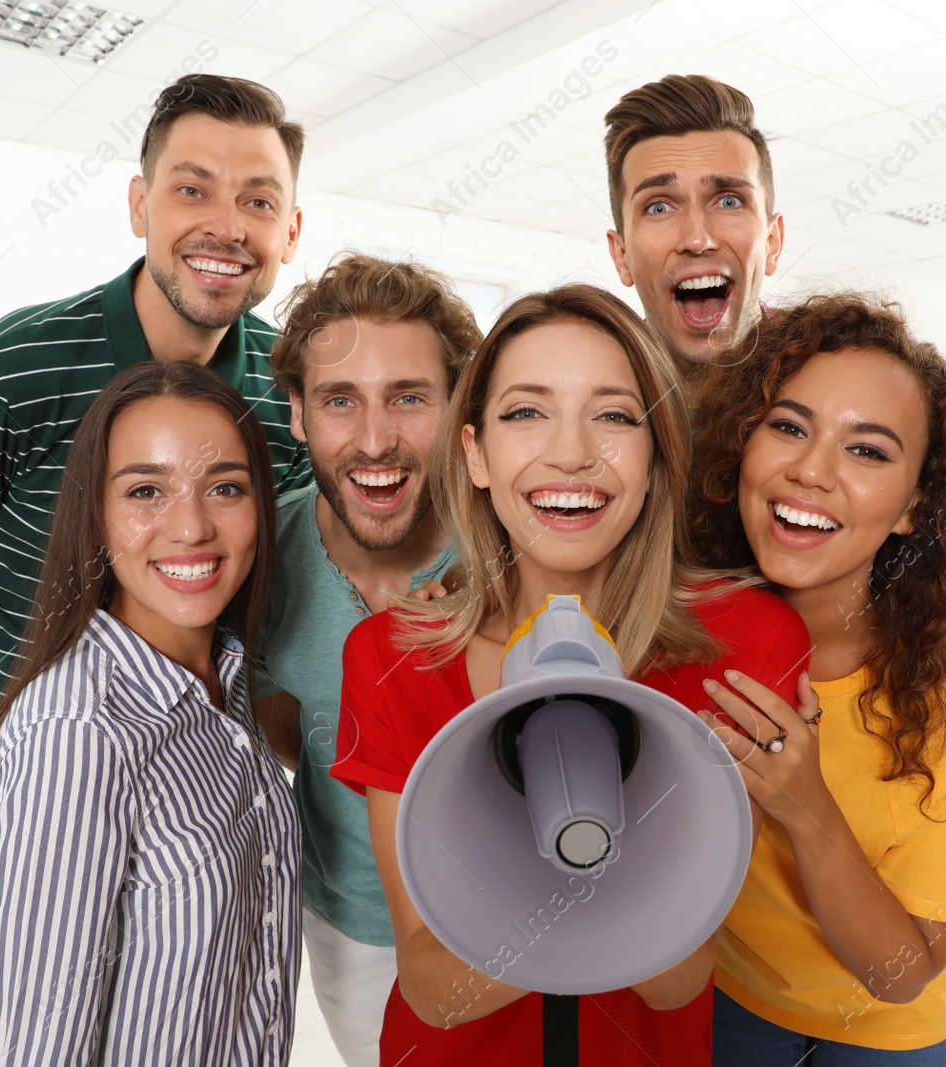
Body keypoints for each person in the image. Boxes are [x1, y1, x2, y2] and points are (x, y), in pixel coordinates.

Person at [0, 74, 310, 1065]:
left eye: (258, 199)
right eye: (193, 188)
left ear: (292, 229)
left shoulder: (294, 394)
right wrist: (47, 689)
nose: (227, 224)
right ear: (139, 205)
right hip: (18, 798)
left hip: (200, 789)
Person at [330, 284, 814, 1066]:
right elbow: (432, 988)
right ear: (476, 452)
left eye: (615, 416)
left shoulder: (749, 648)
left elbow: (675, 980)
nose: (571, 452)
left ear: (658, 459)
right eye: (526, 411)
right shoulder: (393, 656)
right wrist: (579, 845)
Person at [688, 295, 946, 1064]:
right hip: (734, 1006)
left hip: (898, 1036)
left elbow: (903, 972)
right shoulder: (675, 626)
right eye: (788, 426)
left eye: (868, 451)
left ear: (915, 507)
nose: (811, 470)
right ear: (741, 447)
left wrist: (803, 803)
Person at [0, 359, 300, 1065]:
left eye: (225, 488)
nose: (190, 525)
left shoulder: (228, 678)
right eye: (146, 489)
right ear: (96, 515)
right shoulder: (75, 740)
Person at [251, 252, 482, 1065]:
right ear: (298, 414)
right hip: (350, 927)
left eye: (409, 397)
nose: (376, 440)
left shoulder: (514, 549)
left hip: (513, 923)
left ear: (459, 409)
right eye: (340, 401)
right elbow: (284, 722)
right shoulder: (258, 557)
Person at [602, 74, 786, 382]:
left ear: (772, 243)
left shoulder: (833, 376)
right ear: (622, 256)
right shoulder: (595, 385)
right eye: (659, 207)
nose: (698, 239)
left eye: (729, 202)